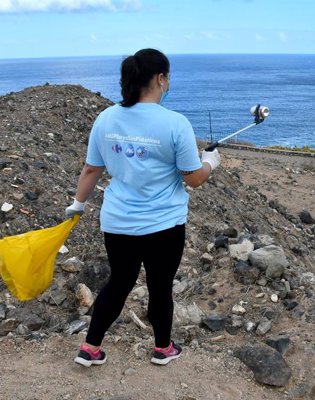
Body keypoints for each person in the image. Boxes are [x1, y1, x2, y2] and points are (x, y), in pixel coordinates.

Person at [66, 48, 221, 367]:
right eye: (168, 77)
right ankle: (163, 349)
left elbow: (91, 169)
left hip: (118, 222)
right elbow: (193, 179)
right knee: (160, 286)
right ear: (161, 79)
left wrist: (78, 204)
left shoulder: (106, 118)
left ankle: (90, 348)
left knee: (119, 283)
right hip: (163, 225)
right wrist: (211, 162)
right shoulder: (175, 123)